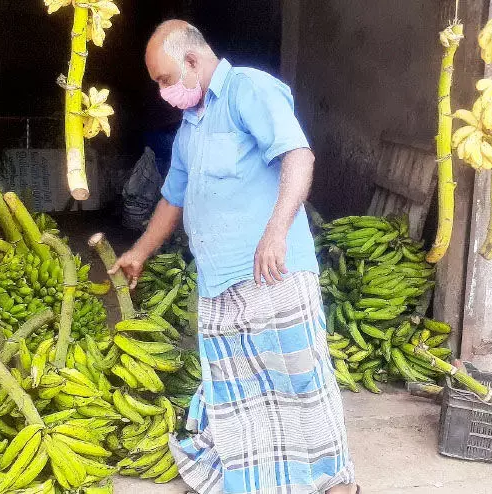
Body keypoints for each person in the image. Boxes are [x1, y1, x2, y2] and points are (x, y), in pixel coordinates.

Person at [109, 20, 359, 494]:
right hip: (220, 285)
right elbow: (172, 199)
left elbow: (298, 156)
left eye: (164, 79)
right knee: (242, 395)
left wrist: (276, 230)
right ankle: (264, 483)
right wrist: (139, 252)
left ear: (193, 61)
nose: (162, 91)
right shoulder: (189, 128)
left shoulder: (250, 90)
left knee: (300, 384)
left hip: (273, 273)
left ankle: (334, 483)